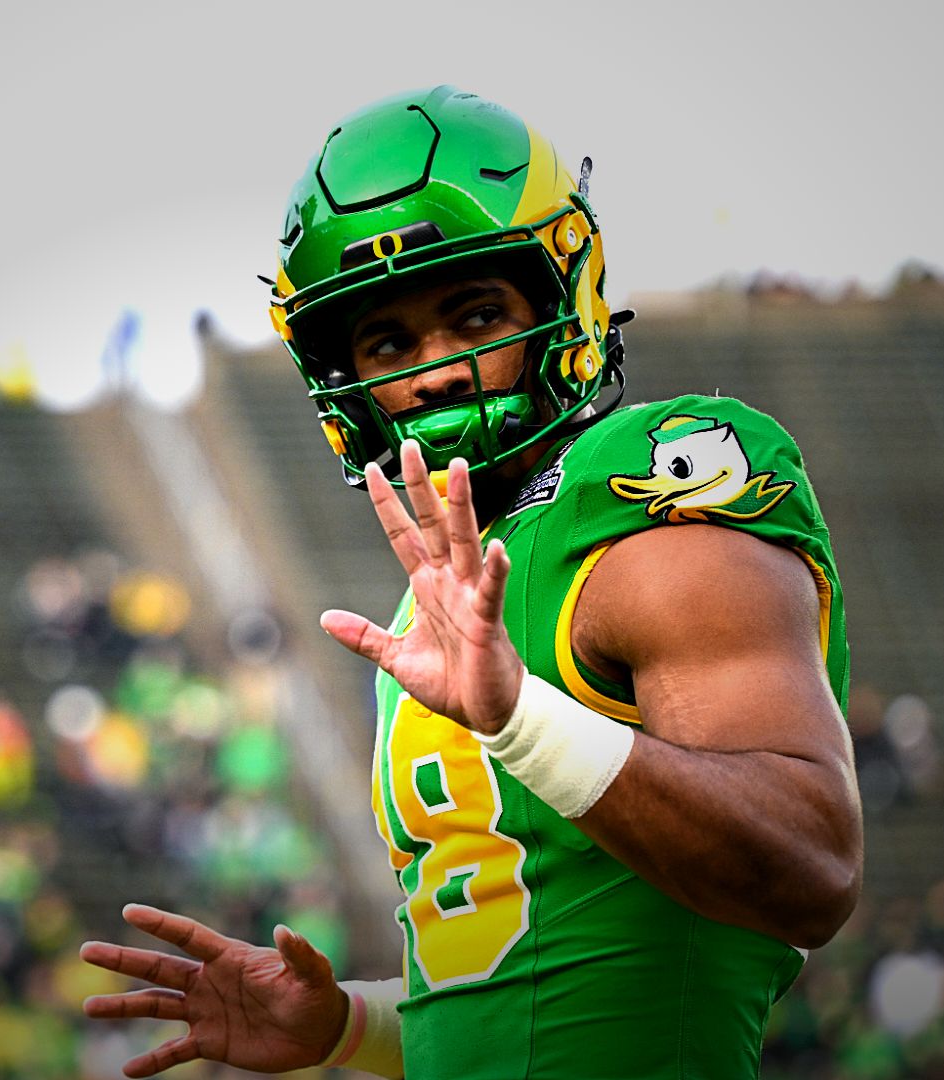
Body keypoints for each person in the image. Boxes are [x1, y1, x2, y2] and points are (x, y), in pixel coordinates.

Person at [81, 86, 862, 1079]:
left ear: (559, 304)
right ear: (345, 382)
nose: (439, 371)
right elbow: (536, 998)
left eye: (476, 314)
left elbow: (811, 866)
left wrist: (522, 720)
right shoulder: (434, 600)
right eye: (389, 343)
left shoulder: (645, 487)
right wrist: (343, 1030)